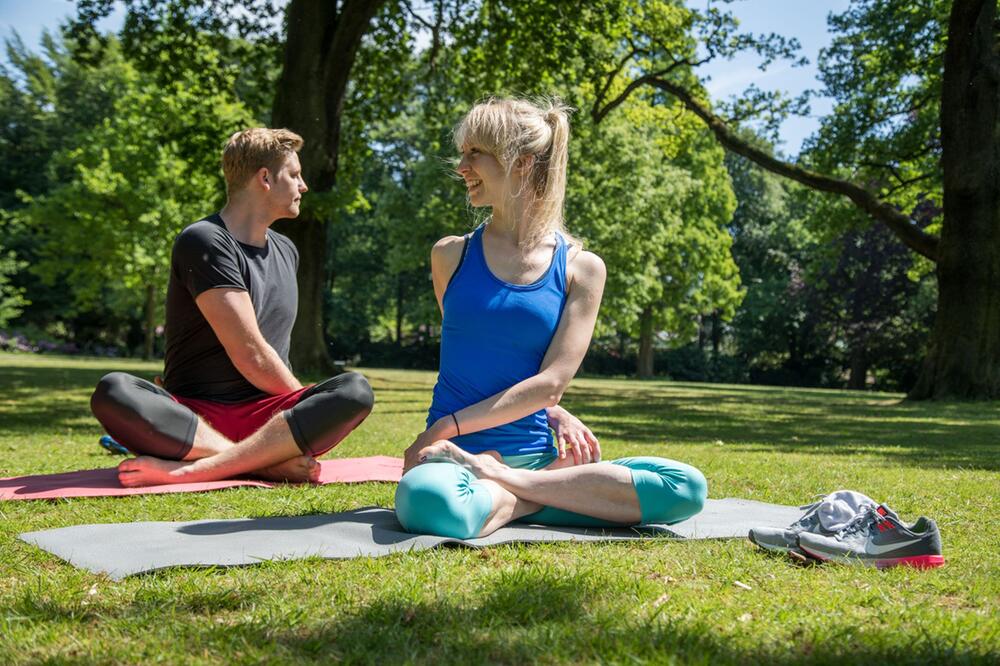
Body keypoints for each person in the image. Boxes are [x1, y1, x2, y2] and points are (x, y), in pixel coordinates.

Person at [394, 98, 706, 539]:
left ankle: (507, 489)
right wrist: (550, 415)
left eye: (474, 154)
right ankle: (546, 497)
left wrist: (448, 425)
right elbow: (488, 362)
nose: (460, 166)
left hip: (524, 456)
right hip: (452, 459)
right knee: (428, 503)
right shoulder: (450, 255)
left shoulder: (583, 269)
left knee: (686, 487)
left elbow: (551, 382)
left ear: (520, 163)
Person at [89, 128, 374, 487]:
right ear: (265, 178)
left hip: (267, 418)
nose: (303, 186)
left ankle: (214, 463)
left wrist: (304, 407)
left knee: (354, 391)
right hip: (193, 417)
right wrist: (300, 406)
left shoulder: (288, 250)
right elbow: (250, 353)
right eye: (295, 175)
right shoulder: (204, 240)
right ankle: (262, 464)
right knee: (114, 391)